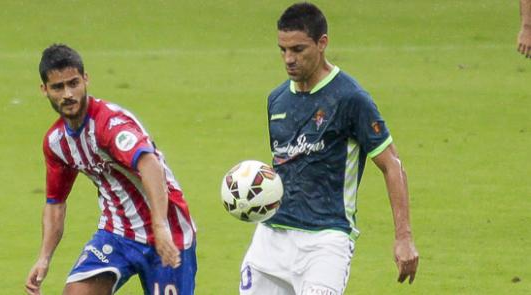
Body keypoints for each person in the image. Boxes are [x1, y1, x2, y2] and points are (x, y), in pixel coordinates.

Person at [239, 3, 419, 295]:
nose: (288, 59)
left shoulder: (350, 98)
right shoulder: (277, 100)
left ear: (322, 43)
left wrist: (404, 237)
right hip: (272, 236)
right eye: (282, 50)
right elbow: (287, 164)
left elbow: (392, 164)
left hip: (326, 241)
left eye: (298, 49)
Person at [24, 44, 196, 295]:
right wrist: (44, 258)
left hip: (169, 229)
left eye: (73, 83)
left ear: (86, 79)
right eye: (58, 87)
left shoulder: (110, 125)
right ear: (45, 90)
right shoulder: (57, 143)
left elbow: (150, 165)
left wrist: (159, 226)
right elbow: (55, 203)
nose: (67, 94)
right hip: (117, 233)